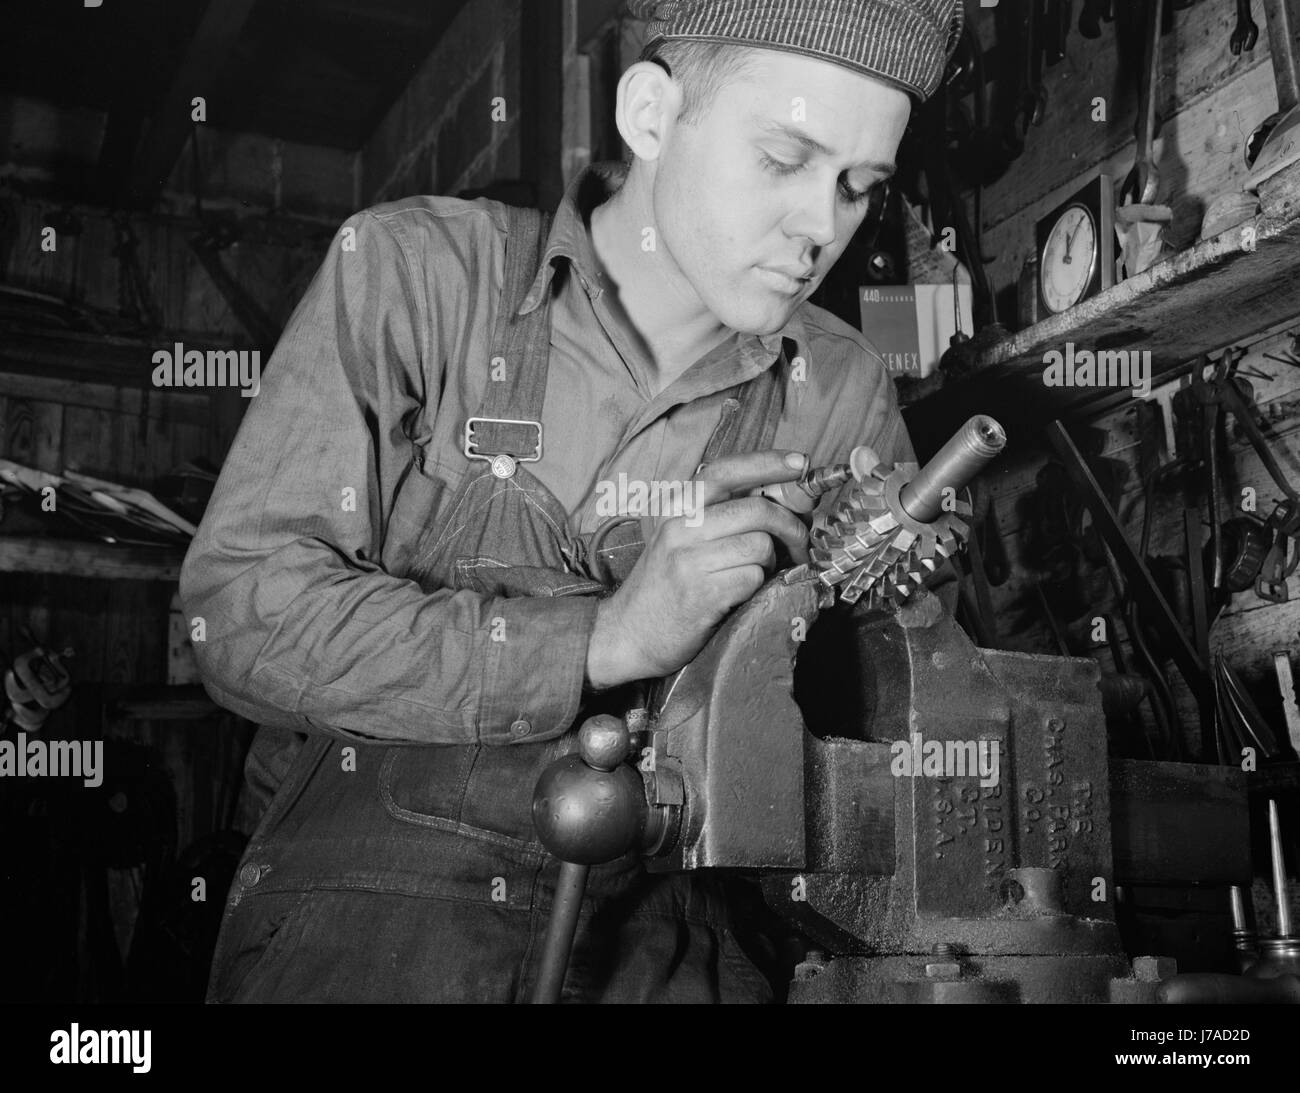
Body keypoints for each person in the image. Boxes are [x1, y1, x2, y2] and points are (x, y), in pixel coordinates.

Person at [181, 0, 964, 1003]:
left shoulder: (839, 380)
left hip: (679, 936)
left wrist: (894, 603)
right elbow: (241, 615)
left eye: (858, 188)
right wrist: (604, 640)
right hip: (377, 921)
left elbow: (881, 740)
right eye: (782, 158)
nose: (822, 226)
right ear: (649, 114)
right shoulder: (418, 276)